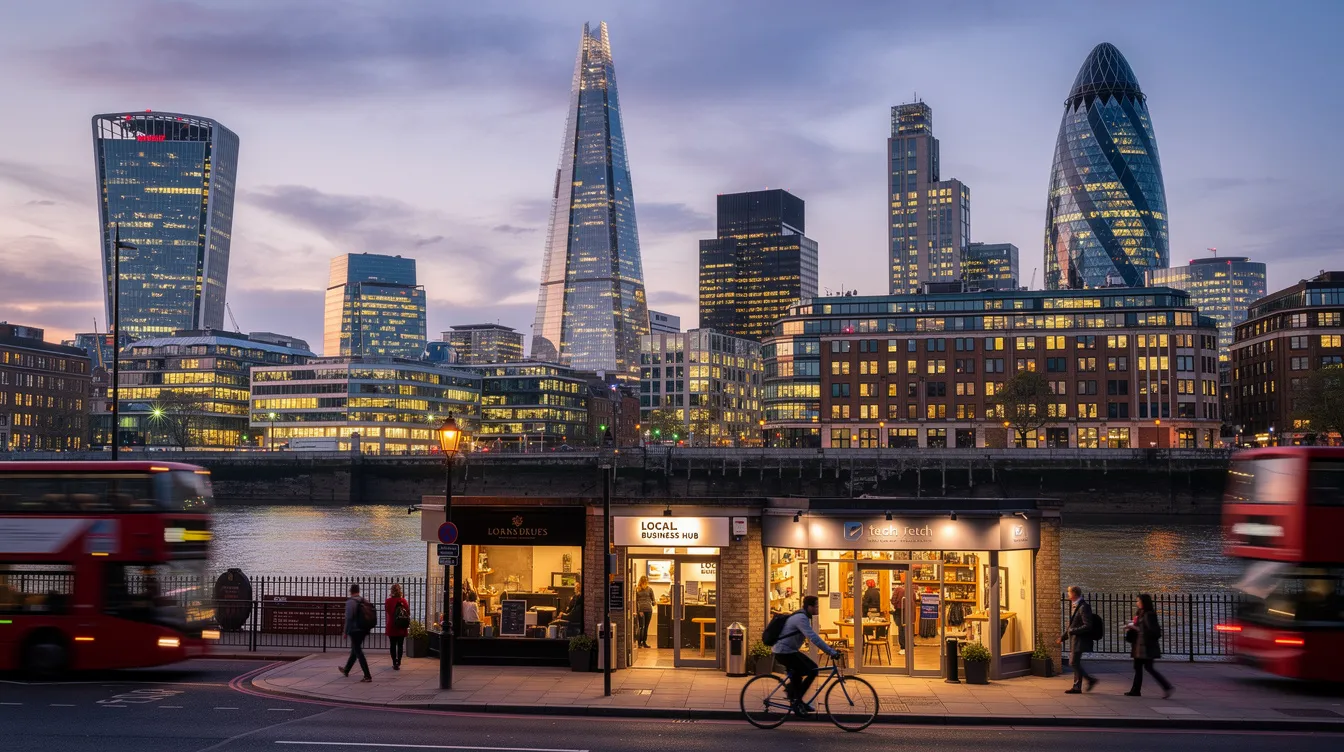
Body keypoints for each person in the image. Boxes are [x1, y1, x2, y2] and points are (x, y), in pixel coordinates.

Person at [772, 595, 841, 715]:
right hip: (783, 651)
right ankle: (797, 701)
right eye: (816, 606)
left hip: (789, 650)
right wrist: (830, 651)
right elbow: (813, 637)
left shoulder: (803, 616)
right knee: (812, 670)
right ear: (809, 607)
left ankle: (795, 697)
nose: (817, 609)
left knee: (801, 674)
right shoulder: (801, 618)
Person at [1124, 594, 1173, 698]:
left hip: (1146, 646)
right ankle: (1135, 690)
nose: (1137, 603)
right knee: (1139, 667)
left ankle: (1166, 686)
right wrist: (1132, 625)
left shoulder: (1149, 615)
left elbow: (1153, 631)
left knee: (1148, 668)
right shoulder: (1140, 613)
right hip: (1139, 646)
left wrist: (1136, 628)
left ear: (1144, 602)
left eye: (1138, 601)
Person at [1057, 586, 1097, 694]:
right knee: (1075, 662)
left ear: (1074, 593)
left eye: (1069, 592)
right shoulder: (1076, 605)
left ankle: (1089, 680)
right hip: (1075, 640)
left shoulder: (1083, 607)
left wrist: (1073, 631)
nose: (1067, 594)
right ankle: (1077, 687)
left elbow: (1087, 625)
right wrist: (1063, 637)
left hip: (1080, 640)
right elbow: (1072, 625)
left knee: (1073, 662)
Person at [340, 583, 372, 682]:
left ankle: (367, 675)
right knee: (355, 649)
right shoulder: (364, 600)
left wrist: (345, 631)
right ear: (358, 591)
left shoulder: (350, 602)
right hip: (364, 629)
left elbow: (348, 618)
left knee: (358, 651)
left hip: (354, 630)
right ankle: (346, 670)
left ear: (351, 591)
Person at [384, 583, 409, 671]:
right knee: (400, 644)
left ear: (391, 591)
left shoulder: (388, 601)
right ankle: (399, 661)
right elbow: (408, 612)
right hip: (401, 625)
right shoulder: (403, 601)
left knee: (393, 644)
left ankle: (394, 662)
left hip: (392, 625)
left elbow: (387, 611)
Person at [634, 576, 655, 648]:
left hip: (645, 610)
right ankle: (642, 642)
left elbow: (652, 599)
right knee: (643, 627)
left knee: (643, 627)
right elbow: (653, 600)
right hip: (644, 610)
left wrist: (654, 602)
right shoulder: (640, 589)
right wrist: (639, 610)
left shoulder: (642, 589)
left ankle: (641, 642)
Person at [891, 572, 907, 655]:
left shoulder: (898, 589)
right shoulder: (911, 589)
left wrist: (896, 605)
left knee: (901, 629)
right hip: (909, 611)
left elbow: (893, 600)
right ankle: (908, 646)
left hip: (900, 611)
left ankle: (903, 647)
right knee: (907, 629)